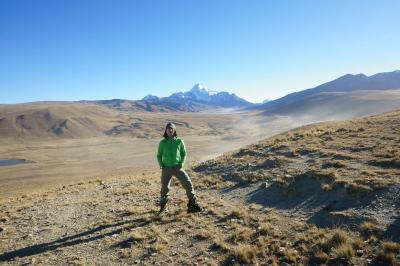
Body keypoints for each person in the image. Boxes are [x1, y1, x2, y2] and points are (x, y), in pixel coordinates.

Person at [157, 122, 202, 213]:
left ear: (174, 130)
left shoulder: (179, 141)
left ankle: (192, 204)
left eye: (172, 129)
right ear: (166, 130)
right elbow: (159, 155)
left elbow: (183, 153)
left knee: (188, 184)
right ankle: (163, 206)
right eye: (168, 129)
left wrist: (181, 164)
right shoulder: (162, 142)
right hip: (166, 169)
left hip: (177, 167)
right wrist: (162, 165)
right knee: (164, 188)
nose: (170, 130)